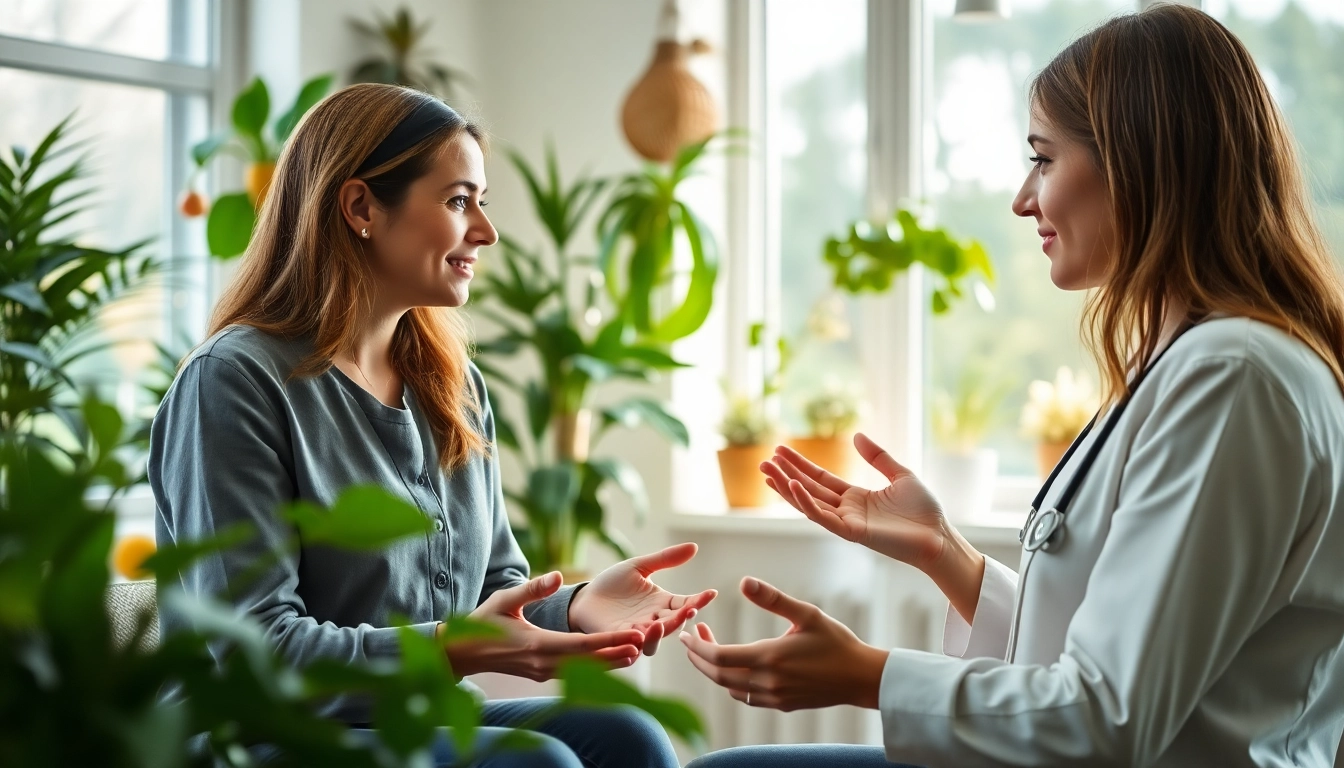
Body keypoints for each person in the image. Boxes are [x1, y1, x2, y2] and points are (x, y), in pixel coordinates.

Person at [680, 5, 1344, 766]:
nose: (1024, 198)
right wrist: (943, 553)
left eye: (1045, 159)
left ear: (1138, 162)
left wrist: (871, 675)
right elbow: (1102, 652)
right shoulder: (1194, 361)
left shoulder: (1232, 381)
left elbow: (1105, 719)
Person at [149, 83, 717, 768]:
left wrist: (577, 605)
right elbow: (259, 652)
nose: (485, 230)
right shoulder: (234, 381)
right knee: (538, 764)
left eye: (482, 201)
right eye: (457, 201)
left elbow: (490, 594)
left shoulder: (451, 385)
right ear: (360, 206)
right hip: (263, 736)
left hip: (409, 721)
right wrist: (447, 647)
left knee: (627, 734)